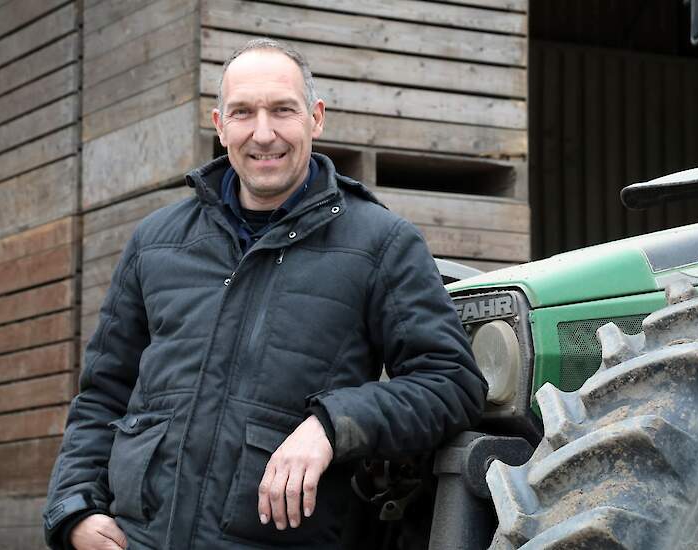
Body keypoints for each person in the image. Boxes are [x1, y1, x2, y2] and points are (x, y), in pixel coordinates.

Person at [42, 38, 486, 549]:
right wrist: (74, 509)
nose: (263, 133)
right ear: (219, 124)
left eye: (282, 110)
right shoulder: (157, 242)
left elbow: (451, 384)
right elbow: (103, 394)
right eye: (243, 112)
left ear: (315, 118)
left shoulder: (380, 244)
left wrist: (332, 425)